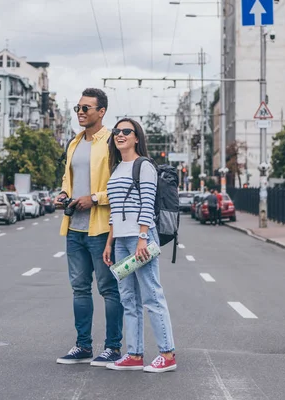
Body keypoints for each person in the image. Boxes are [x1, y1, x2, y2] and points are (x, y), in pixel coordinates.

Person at [55, 88, 124, 367]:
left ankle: (113, 347)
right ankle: (83, 346)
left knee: (108, 289)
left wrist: (95, 198)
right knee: (80, 288)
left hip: (102, 228)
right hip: (74, 227)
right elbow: (67, 178)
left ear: (101, 112)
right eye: (78, 108)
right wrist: (63, 194)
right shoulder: (73, 143)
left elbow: (123, 186)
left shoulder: (112, 141)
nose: (81, 113)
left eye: (86, 108)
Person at [103, 118, 177, 373]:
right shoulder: (116, 169)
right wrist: (109, 242)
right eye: (117, 131)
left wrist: (143, 237)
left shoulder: (143, 166)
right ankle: (134, 354)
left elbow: (147, 204)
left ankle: (167, 354)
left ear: (137, 137)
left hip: (140, 238)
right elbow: (114, 210)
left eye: (126, 131)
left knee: (151, 295)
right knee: (128, 298)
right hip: (122, 241)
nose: (120, 135)